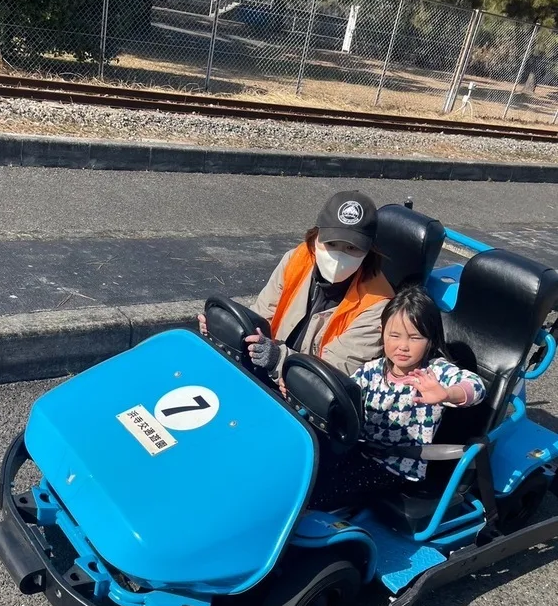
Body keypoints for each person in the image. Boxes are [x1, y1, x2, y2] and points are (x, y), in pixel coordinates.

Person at [310, 285, 486, 510]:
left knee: (324, 491)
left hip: (397, 466)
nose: (403, 346)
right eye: (394, 335)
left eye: (415, 338)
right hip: (359, 449)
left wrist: (447, 393)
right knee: (307, 461)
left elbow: (476, 387)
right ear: (382, 332)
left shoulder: (433, 373)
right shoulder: (371, 370)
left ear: (430, 340)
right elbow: (344, 398)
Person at [198, 190, 394, 376]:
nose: (338, 256)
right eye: (331, 244)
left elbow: (335, 369)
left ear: (369, 251)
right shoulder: (296, 260)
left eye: (351, 248)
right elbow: (261, 315)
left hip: (306, 398)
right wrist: (226, 330)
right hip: (265, 371)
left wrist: (278, 359)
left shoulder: (378, 306)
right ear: (316, 237)